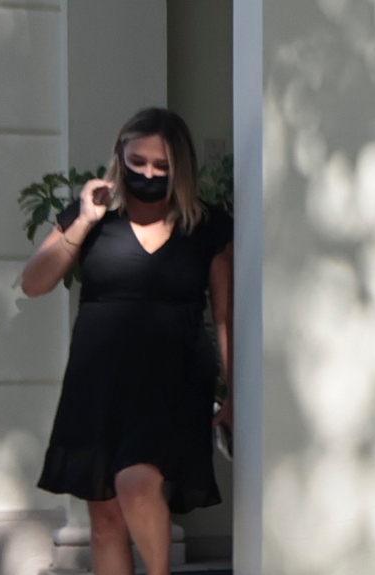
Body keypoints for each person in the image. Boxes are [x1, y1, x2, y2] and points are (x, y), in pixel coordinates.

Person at [22, 107, 232, 575]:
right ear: (120, 156)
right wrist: (83, 221)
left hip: (174, 380)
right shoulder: (93, 215)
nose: (148, 174)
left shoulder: (207, 225)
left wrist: (234, 393)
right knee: (105, 520)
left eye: (161, 166)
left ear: (181, 168)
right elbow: (34, 283)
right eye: (137, 162)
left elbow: (225, 317)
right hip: (97, 380)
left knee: (136, 483)